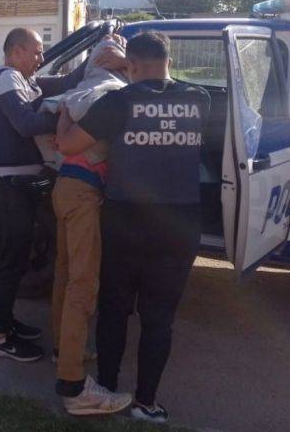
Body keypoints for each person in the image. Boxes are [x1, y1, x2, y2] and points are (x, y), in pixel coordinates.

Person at [57, 31, 209, 423]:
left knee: (114, 309)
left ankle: (107, 388)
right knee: (159, 318)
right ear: (169, 60)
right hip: (178, 223)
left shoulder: (118, 101)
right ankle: (147, 403)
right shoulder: (200, 99)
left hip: (125, 220)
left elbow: (70, 145)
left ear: (131, 65)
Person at [0, 27, 122, 362]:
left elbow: (68, 84)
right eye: (37, 52)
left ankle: (6, 323)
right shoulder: (7, 78)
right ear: (15, 53)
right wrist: (65, 119)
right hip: (8, 186)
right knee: (11, 262)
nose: (41, 59)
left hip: (21, 184)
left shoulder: (24, 82)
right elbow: (26, 124)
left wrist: (97, 56)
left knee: (17, 258)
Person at [51, 36, 132, 415]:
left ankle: (64, 349)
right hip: (83, 193)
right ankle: (74, 388)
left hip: (65, 187)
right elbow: (67, 144)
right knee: (83, 285)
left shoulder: (81, 92)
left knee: (65, 278)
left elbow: (60, 139)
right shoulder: (112, 94)